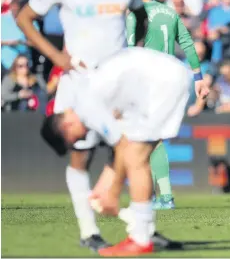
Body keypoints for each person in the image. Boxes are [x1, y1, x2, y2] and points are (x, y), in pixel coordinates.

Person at [16, 0, 149, 252]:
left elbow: (141, 16)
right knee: (81, 155)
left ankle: (140, 226)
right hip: (78, 84)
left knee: (130, 151)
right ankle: (89, 230)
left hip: (117, 83)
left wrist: (136, 52)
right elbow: (24, 18)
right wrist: (57, 56)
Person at [40, 47, 191, 256]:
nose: (81, 141)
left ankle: (140, 238)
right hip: (164, 78)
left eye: (73, 141)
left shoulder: (87, 108)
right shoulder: (86, 96)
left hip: (162, 84)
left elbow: (123, 145)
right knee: (137, 155)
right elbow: (124, 140)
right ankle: (142, 232)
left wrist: (112, 193)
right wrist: (105, 183)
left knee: (136, 158)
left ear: (66, 127)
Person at [96, 0, 209, 211]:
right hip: (173, 77)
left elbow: (128, 52)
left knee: (148, 141)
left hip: (147, 81)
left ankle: (163, 196)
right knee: (153, 140)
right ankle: (159, 195)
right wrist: (199, 78)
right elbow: (187, 43)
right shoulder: (168, 11)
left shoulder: (134, 16)